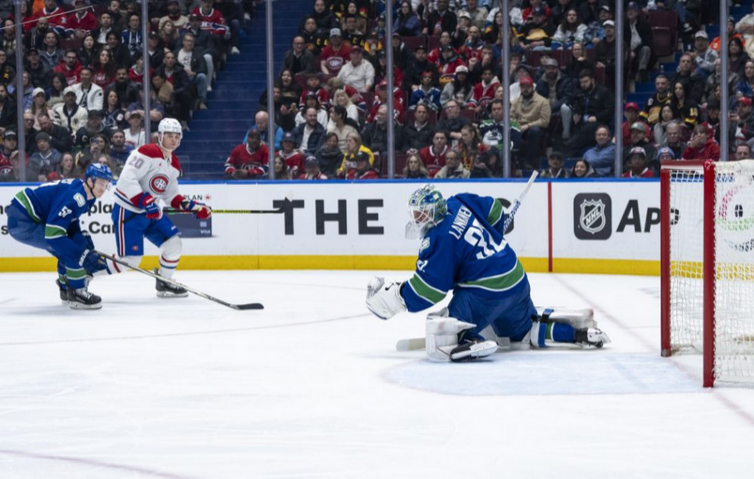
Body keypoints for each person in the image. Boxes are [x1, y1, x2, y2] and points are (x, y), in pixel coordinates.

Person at [365, 185, 611, 362]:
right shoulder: (458, 201)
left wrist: (399, 296)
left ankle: (469, 338)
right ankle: (578, 334)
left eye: (420, 213)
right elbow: (495, 210)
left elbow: (430, 290)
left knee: (445, 327)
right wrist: (493, 233)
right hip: (516, 280)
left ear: (432, 211)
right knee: (523, 334)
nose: (417, 219)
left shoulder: (438, 239)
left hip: (486, 294)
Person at [111, 118, 211, 298]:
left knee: (174, 244)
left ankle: (165, 282)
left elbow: (170, 195)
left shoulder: (173, 164)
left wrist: (192, 207)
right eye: (170, 135)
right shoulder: (147, 152)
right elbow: (126, 179)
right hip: (129, 212)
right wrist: (146, 201)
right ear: (161, 136)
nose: (174, 140)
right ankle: (85, 275)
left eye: (177, 136)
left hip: (150, 213)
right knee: (129, 260)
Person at [5, 163, 113, 309]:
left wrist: (80, 238)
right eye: (101, 183)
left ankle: (65, 288)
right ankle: (76, 292)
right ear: (89, 181)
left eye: (106, 185)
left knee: (77, 244)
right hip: (22, 221)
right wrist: (83, 255)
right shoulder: (76, 197)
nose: (103, 189)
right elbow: (54, 235)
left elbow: (70, 221)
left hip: (28, 217)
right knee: (72, 249)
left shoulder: (87, 194)